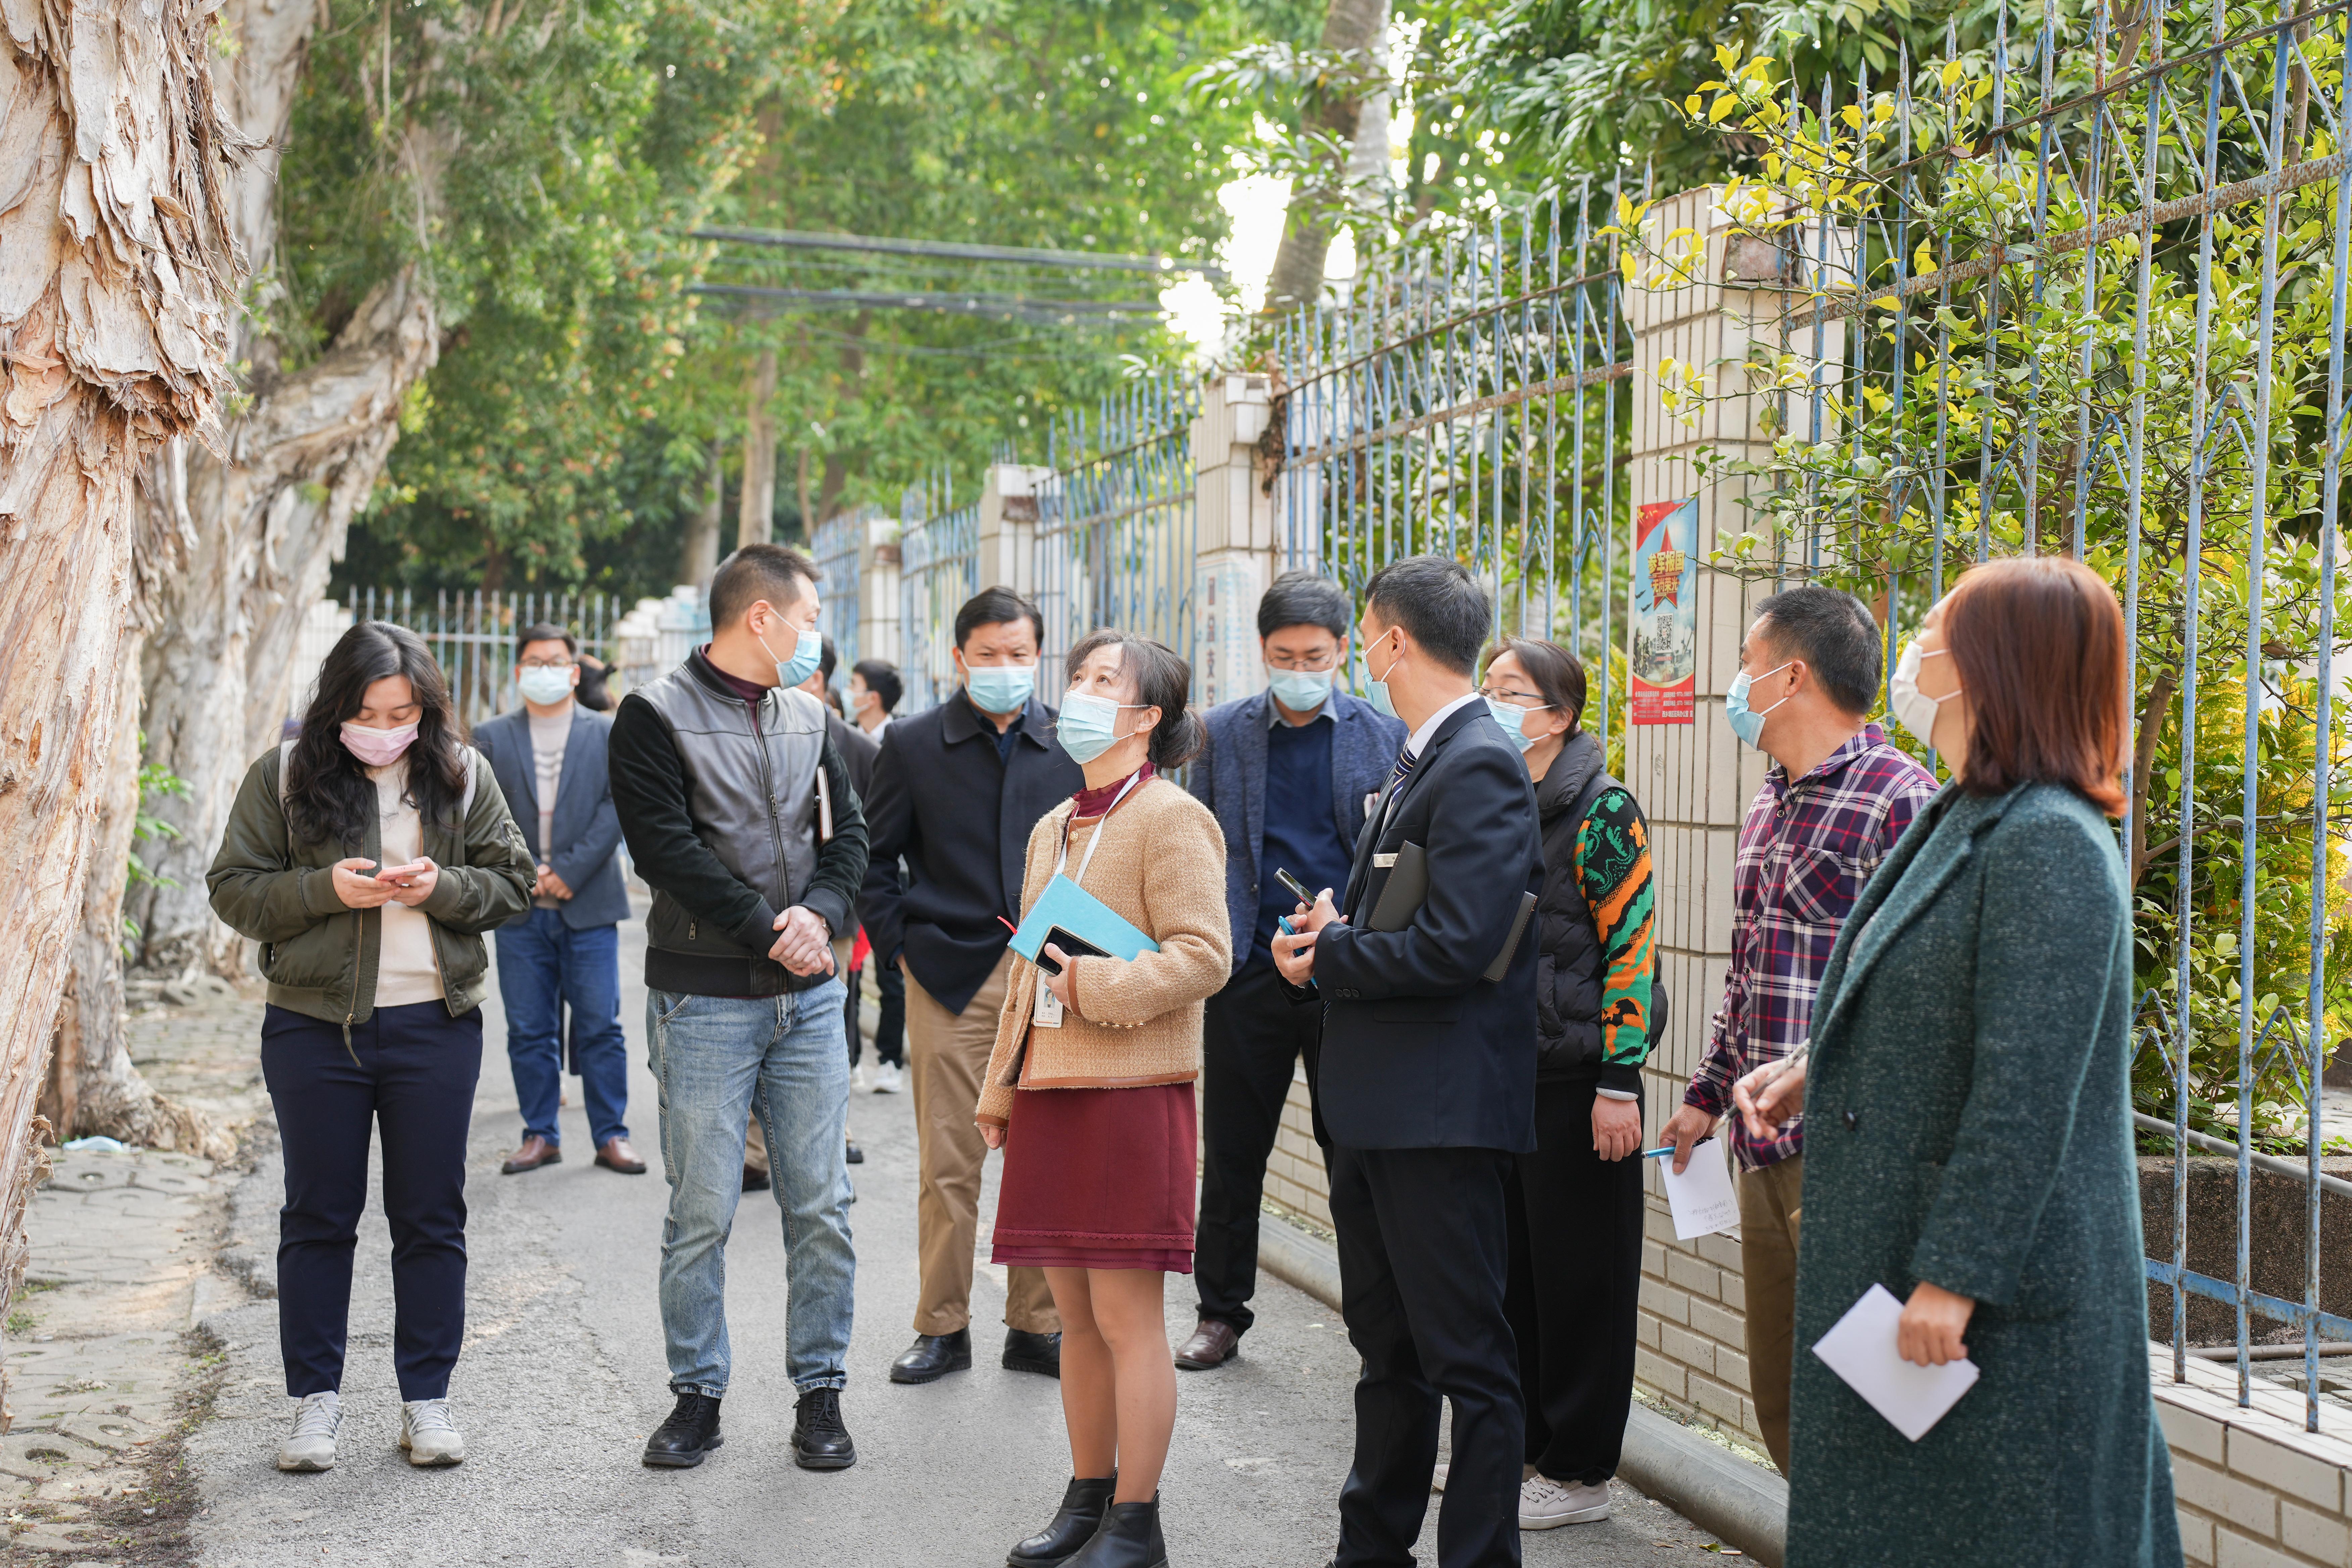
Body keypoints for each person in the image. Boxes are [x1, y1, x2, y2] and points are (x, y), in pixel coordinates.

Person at [1732, 557, 2179, 1567]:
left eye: (1933, 632)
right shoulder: (1967, 812)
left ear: (1993, 662)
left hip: (1995, 1308)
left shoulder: (2050, 841)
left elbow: (2028, 1088)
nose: (1912, 653)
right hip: (1919, 1267)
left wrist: (1954, 1275)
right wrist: (1816, 1066)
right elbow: (1929, 998)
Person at [207, 622, 535, 1474]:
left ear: (426, 708)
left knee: (431, 1215)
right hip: (314, 1026)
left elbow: (514, 883)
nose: (387, 730)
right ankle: (314, 1403)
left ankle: (427, 1400)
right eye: (368, 714)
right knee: (318, 1214)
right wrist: (323, 889)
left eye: (403, 714)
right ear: (335, 708)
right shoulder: (285, 775)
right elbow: (233, 889)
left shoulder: (462, 774)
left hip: (436, 1024)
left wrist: (441, 887)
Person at [1273, 554, 1545, 1568]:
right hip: (1379, 1106)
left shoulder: (1476, 761)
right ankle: (1370, 1547)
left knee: (1468, 1360)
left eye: (1365, 637)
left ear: (1392, 640)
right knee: (1387, 1349)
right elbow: (1403, 915)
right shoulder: (1422, 756)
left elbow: (1460, 946)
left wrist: (1336, 952)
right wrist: (1329, 938)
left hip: (1437, 1114)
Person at [1655, 584, 1937, 1475]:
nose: (1736, 684)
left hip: (1847, 1153)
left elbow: (1917, 994)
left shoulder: (1900, 800)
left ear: (1793, 675)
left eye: (1747, 663)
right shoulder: (1770, 798)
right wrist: (1706, 1096)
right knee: (1784, 1398)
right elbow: (1749, 972)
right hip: (1759, 1148)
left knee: (1878, 1402)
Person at [607, 542, 871, 1472]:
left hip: (810, 1002)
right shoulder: (652, 715)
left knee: (822, 1204)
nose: (817, 636)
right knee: (702, 1210)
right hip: (703, 1000)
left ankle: (821, 1392)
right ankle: (697, 1396)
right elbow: (666, 851)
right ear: (763, 617)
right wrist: (771, 930)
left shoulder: (811, 716)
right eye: (811, 618)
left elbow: (850, 838)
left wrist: (821, 917)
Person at [979, 630, 1230, 1568]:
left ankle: (1137, 1519)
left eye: (1101, 680)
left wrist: (1092, 985)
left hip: (1131, 1096)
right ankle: (1086, 1497)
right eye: (1077, 676)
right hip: (1051, 1091)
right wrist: (1001, 1087)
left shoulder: (1171, 817)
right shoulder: (1055, 823)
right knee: (1074, 1319)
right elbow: (1027, 969)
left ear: (1146, 716)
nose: (1078, 692)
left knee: (1128, 1320)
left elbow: (1205, 956)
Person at [1176, 570, 1402, 1372]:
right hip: (1250, 968)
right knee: (1234, 1153)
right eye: (1283, 656)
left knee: (1354, 1156)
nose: (1299, 669)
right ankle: (1219, 1312)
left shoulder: (1384, 735)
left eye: (1314, 656)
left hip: (1345, 971)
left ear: (1342, 649)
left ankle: (1375, 1323)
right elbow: (1202, 846)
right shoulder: (1220, 733)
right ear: (1262, 650)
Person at [859, 586, 1082, 1385]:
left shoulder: (1071, 741)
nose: (1004, 667)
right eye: (988, 654)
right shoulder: (913, 743)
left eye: (1019, 653)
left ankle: (1037, 1325)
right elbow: (872, 859)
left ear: (1039, 655)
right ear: (959, 658)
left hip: (1055, 976)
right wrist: (902, 949)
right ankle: (942, 1325)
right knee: (950, 1161)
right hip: (948, 973)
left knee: (1044, 1158)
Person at [1469, 637, 1658, 1531]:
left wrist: (1619, 1082)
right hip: (1508, 1074)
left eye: (1512, 692)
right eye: (1488, 686)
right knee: (1519, 1278)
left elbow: (1634, 951)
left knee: (1584, 1282)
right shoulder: (1498, 798)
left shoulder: (1603, 810)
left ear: (1558, 715)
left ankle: (1580, 1471)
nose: (1493, 703)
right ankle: (1528, 1449)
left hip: (1583, 1081)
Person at [474, 623, 642, 1178]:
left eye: (555, 662)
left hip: (589, 904)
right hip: (520, 910)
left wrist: (568, 870)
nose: (544, 671)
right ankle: (540, 1134)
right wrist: (528, 873)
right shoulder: (491, 737)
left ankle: (611, 1135)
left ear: (573, 672)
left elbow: (618, 806)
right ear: (518, 671)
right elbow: (483, 816)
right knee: (529, 1029)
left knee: (601, 1027)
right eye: (533, 663)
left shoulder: (609, 732)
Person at [847, 658, 909, 1092]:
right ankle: (850, 1059)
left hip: (892, 872)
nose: (850, 692)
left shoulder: (903, 740)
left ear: (872, 697)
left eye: (855, 685)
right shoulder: (844, 739)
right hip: (851, 871)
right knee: (848, 970)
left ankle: (890, 1059)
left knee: (891, 969)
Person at [849, 657, 901, 738]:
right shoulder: (843, 736)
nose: (849, 690)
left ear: (872, 698)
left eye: (853, 685)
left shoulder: (903, 737)